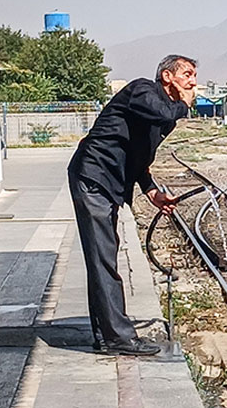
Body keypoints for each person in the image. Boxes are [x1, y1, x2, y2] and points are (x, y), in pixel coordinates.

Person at [67, 55, 197, 356]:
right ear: (167, 76)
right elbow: (165, 113)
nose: (193, 82)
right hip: (94, 177)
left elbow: (139, 154)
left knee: (104, 258)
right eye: (187, 74)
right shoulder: (143, 91)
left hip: (106, 183)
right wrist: (186, 105)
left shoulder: (156, 113)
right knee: (103, 260)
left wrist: (151, 191)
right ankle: (118, 339)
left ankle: (106, 335)